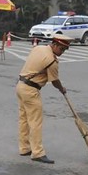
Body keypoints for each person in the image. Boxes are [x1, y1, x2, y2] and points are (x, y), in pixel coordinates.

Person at [16, 35, 72, 164]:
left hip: (20, 86)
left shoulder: (39, 48)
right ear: (55, 45)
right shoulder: (52, 61)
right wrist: (61, 88)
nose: (62, 53)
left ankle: (24, 148)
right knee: (35, 122)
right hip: (30, 90)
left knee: (24, 119)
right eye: (62, 49)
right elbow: (54, 81)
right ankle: (37, 152)